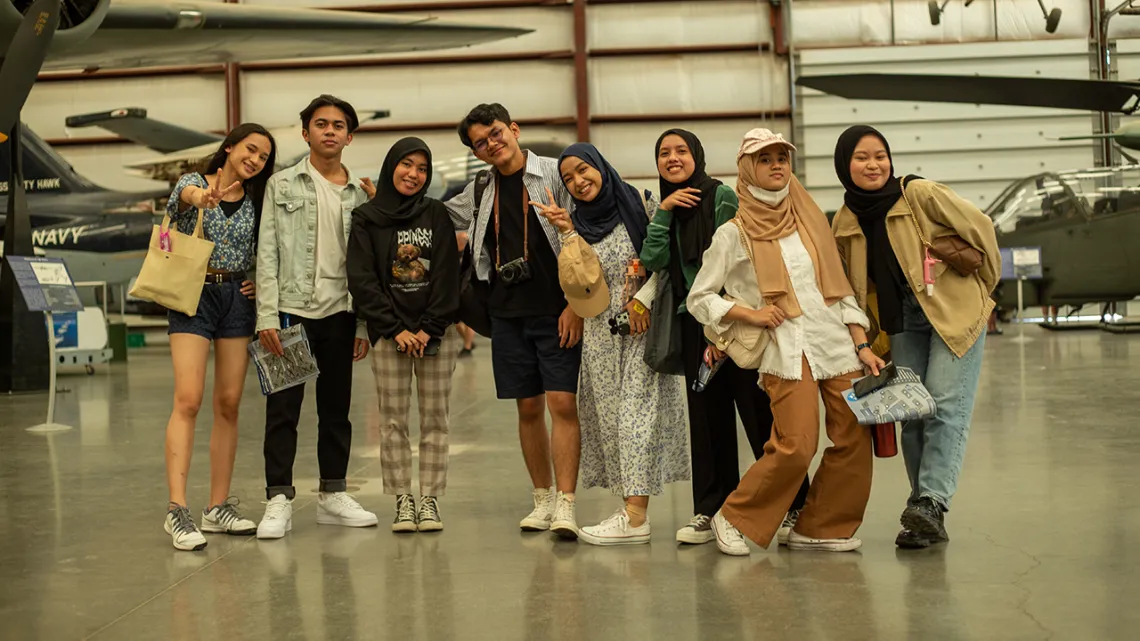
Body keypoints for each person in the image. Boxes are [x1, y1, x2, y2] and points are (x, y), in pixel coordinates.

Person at [688, 128, 881, 555]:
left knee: (853, 435)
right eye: (765, 159)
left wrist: (862, 343)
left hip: (834, 342)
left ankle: (821, 526)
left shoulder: (809, 221)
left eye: (782, 157)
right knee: (796, 445)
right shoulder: (732, 234)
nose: (777, 165)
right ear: (747, 169)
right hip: (787, 348)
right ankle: (733, 517)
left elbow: (838, 286)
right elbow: (699, 298)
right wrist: (748, 312)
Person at [639, 128, 811, 546]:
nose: (673, 159)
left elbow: (736, 267)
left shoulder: (721, 198)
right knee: (706, 416)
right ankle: (711, 509)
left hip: (737, 323)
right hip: (694, 322)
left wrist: (725, 327)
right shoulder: (671, 207)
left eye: (681, 151)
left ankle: (795, 506)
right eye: (664, 153)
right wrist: (663, 211)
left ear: (697, 155)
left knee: (758, 414)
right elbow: (652, 259)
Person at [831, 125, 1000, 549]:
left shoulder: (919, 194)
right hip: (900, 318)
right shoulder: (846, 220)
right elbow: (848, 288)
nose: (873, 165)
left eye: (880, 155)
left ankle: (930, 501)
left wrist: (983, 292)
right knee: (912, 413)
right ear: (843, 165)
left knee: (944, 404)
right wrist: (864, 341)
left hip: (952, 309)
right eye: (862, 157)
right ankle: (923, 511)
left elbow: (982, 229)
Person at [534, 143, 690, 545]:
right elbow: (582, 279)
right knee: (612, 422)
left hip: (643, 329)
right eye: (568, 178)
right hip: (601, 335)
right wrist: (567, 233)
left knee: (635, 416)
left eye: (583, 170)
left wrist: (643, 300)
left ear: (601, 167)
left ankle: (636, 518)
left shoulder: (640, 203)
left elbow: (665, 260)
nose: (578, 181)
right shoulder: (577, 223)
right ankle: (629, 511)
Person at [444, 103, 583, 539]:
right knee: (527, 408)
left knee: (562, 403)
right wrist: (385, 204)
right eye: (480, 142)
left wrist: (576, 305)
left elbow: (589, 229)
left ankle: (566, 503)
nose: (491, 144)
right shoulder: (481, 187)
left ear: (514, 129)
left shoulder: (558, 175)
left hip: (556, 308)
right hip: (506, 313)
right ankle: (541, 498)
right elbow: (438, 216)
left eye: (496, 133)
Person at [254, 95, 379, 539]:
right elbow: (266, 252)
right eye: (321, 124)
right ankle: (278, 498)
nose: (330, 131)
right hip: (290, 312)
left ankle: (333, 494)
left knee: (336, 410)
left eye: (339, 125)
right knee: (282, 409)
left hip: (342, 313)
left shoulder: (362, 194)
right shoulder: (282, 185)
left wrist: (363, 323)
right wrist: (267, 315)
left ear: (350, 135)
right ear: (305, 132)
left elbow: (367, 266)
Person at [161, 123, 277, 551]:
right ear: (229, 148)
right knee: (188, 399)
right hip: (193, 294)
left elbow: (266, 250)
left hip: (236, 299)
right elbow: (186, 198)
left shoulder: (256, 199)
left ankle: (216, 507)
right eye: (250, 149)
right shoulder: (196, 182)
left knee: (228, 403)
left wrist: (255, 284)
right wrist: (204, 197)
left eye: (263, 157)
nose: (255, 160)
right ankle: (177, 509)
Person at [346, 138, 461, 533]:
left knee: (435, 419)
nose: (413, 174)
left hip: (435, 335)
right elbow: (362, 280)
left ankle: (429, 500)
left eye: (422, 168)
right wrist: (397, 330)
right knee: (392, 421)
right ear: (391, 165)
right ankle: (402, 500)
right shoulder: (366, 218)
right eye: (406, 165)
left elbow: (448, 275)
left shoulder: (436, 214)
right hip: (388, 335)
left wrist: (428, 329)